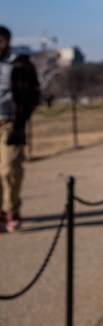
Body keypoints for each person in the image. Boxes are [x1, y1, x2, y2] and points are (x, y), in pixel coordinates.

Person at [0, 25, 41, 233]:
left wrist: (22, 118)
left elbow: (35, 93)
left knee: (9, 169)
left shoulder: (20, 64)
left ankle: (12, 209)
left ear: (7, 41)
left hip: (11, 123)